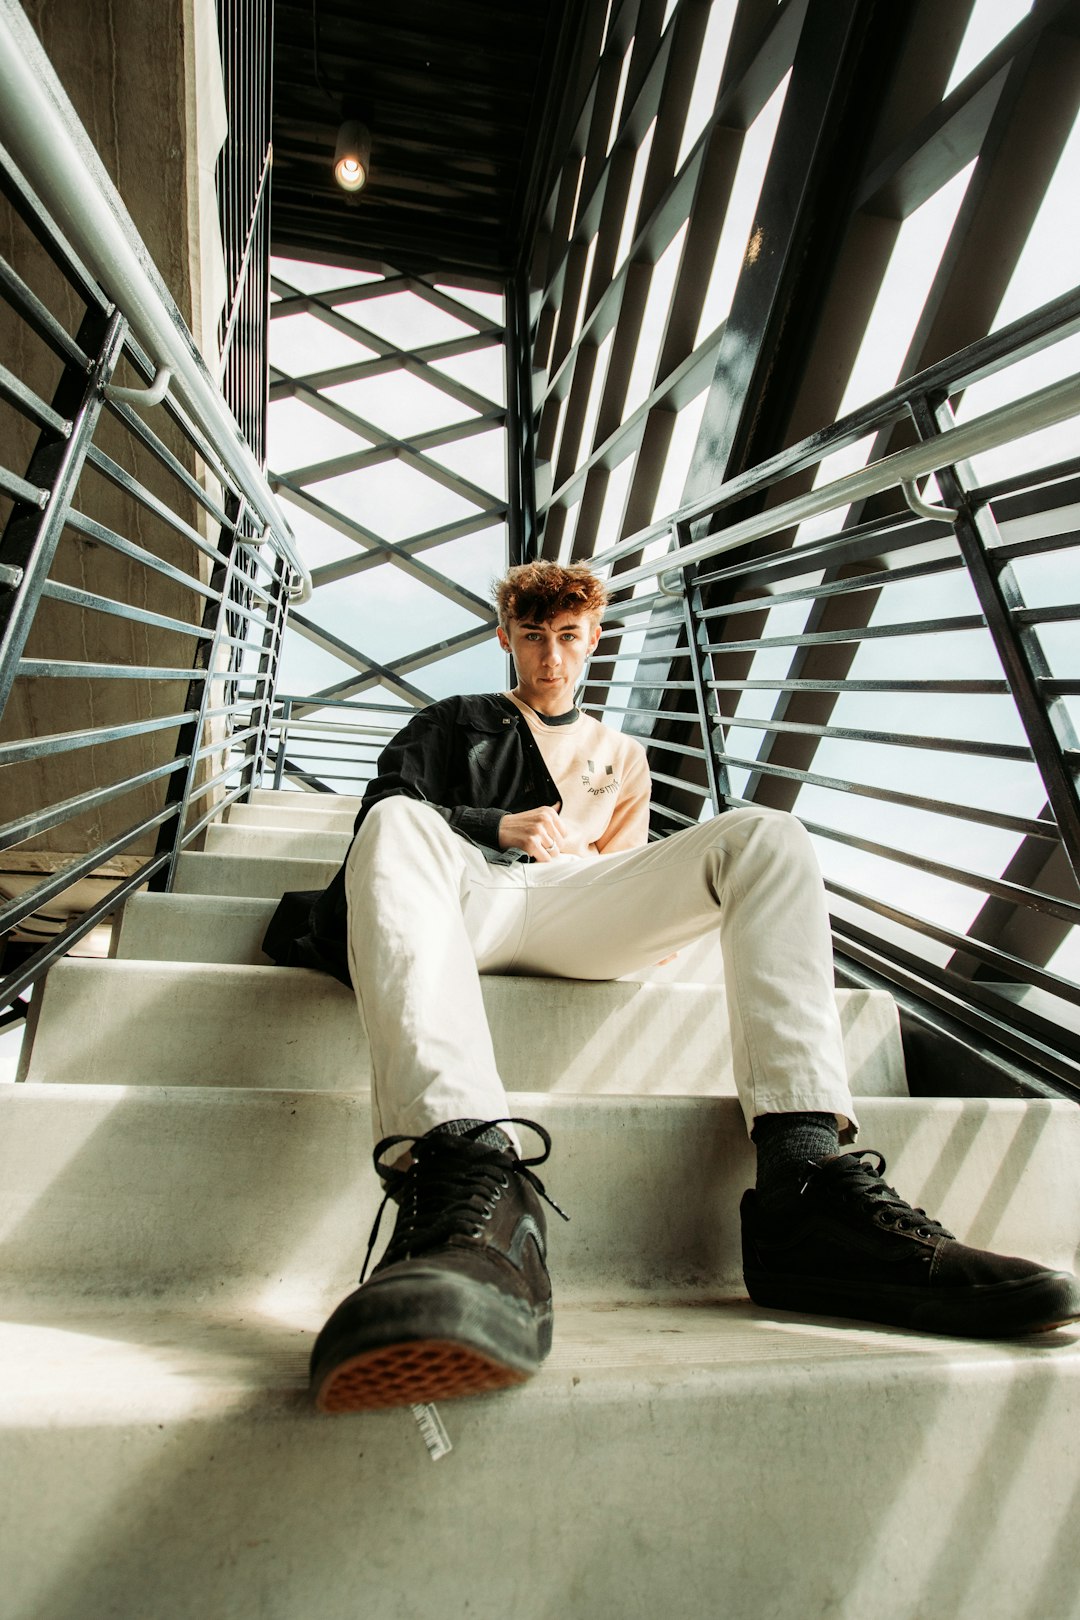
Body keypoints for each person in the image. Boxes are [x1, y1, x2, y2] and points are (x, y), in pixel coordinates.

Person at [264, 560, 1080, 1414]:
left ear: (594, 642)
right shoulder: (455, 720)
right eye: (533, 638)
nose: (550, 659)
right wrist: (493, 824)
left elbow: (628, 865)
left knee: (766, 836)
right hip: (468, 892)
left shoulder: (624, 756)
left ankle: (806, 1185)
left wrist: (628, 905)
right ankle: (471, 1188)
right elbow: (383, 812)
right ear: (505, 638)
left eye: (568, 639)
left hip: (579, 903)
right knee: (396, 822)